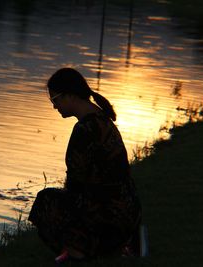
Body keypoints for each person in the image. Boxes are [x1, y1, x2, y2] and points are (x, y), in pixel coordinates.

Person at [28, 68, 141, 263]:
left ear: (70, 96)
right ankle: (111, 245)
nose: (54, 106)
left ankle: (78, 253)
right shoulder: (103, 118)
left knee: (44, 202)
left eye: (55, 100)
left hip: (110, 217)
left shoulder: (84, 130)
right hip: (129, 211)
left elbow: (75, 183)